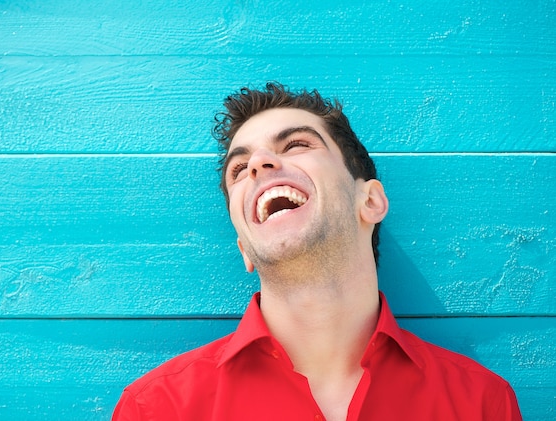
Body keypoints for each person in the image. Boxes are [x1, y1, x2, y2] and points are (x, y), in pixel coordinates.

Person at [112, 83, 522, 420]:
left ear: (371, 201)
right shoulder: (158, 408)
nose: (258, 164)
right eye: (239, 169)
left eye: (295, 145)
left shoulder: (482, 404)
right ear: (244, 247)